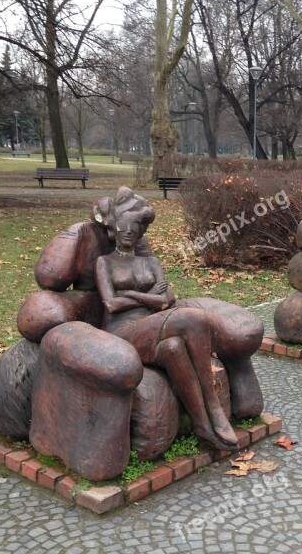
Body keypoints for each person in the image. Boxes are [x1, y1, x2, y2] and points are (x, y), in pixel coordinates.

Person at [94, 192, 239, 450]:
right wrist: (148, 297)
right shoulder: (104, 262)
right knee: (193, 318)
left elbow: (168, 299)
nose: (129, 231)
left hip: (154, 326)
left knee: (173, 349)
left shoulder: (150, 262)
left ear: (140, 232)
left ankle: (202, 424)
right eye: (123, 225)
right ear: (113, 230)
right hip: (123, 331)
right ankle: (213, 405)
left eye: (135, 226)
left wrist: (133, 295)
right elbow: (111, 304)